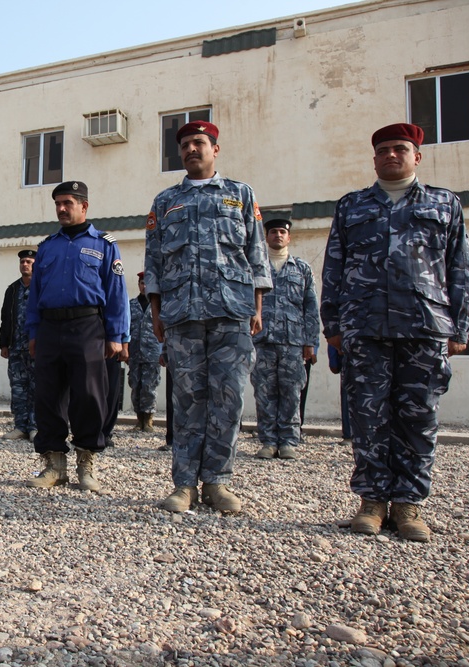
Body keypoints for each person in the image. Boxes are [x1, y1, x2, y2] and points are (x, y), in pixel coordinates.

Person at [321, 123, 469, 542]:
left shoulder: (444, 204)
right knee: (369, 417)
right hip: (365, 325)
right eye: (384, 150)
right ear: (374, 159)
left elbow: (459, 268)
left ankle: (408, 504)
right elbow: (334, 266)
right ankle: (372, 501)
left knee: (418, 416)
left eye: (400, 149)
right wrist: (331, 322)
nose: (391, 155)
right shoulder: (352, 206)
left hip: (423, 326)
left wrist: (461, 326)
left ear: (416, 157)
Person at [145, 121, 271, 514]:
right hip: (182, 312)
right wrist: (155, 311)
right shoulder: (166, 200)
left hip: (232, 311)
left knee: (229, 399)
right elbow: (154, 258)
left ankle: (218, 481)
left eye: (199, 143)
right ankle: (184, 484)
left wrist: (258, 306)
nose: (190, 149)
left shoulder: (240, 194)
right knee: (186, 401)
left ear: (215, 149)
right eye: (184, 145)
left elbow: (256, 252)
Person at [26, 181, 129, 492]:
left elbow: (117, 293)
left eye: (68, 203)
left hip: (87, 327)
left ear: (84, 206)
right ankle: (54, 464)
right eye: (57, 203)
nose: (61, 208)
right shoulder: (47, 247)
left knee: (88, 396)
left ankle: (86, 462)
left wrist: (117, 335)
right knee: (48, 396)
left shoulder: (105, 244)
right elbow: (35, 294)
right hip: (50, 327)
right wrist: (33, 331)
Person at [250, 218, 319, 461]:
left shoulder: (301, 269)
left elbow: (310, 308)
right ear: (266, 237)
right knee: (264, 392)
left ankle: (289, 441)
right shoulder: (255, 268)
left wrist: (311, 342)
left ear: (289, 237)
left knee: (291, 392)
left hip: (293, 342)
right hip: (261, 340)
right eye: (273, 232)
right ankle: (268, 441)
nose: (278, 235)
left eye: (282, 232)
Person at [0, 249, 37, 441]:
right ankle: (20, 426)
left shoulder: (42, 287)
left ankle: (35, 426)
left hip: (36, 348)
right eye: (23, 261)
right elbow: (6, 318)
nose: (25, 264)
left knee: (36, 387)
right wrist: (4, 344)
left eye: (29, 261)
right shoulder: (12, 289)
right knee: (18, 388)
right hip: (16, 348)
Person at [128, 272, 162, 433]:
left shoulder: (158, 306)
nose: (144, 286)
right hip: (134, 352)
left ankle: (148, 420)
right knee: (135, 386)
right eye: (142, 283)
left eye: (147, 283)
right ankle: (138, 419)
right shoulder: (131, 305)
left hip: (152, 352)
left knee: (149, 386)